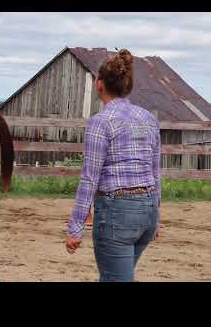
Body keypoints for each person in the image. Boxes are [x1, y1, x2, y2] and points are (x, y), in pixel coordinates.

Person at [65, 48, 161, 282]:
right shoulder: (148, 119)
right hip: (147, 212)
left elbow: (90, 178)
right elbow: (155, 172)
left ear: (99, 84)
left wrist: (76, 226)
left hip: (117, 213)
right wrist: (155, 218)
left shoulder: (101, 122)